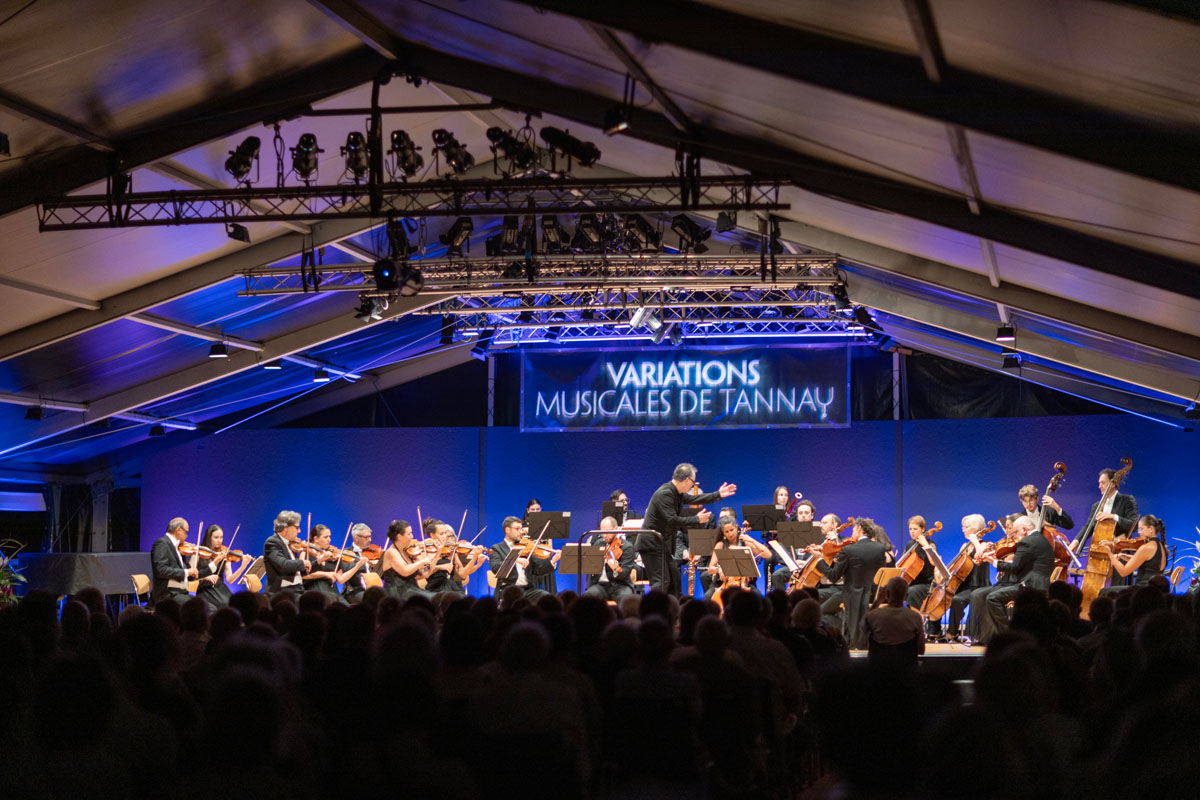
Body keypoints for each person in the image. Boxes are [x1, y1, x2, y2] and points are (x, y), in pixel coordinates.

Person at [640, 463, 736, 595]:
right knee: (661, 582)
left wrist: (717, 494)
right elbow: (672, 520)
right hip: (651, 544)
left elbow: (693, 499)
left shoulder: (676, 493)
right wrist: (696, 519)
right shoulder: (665, 494)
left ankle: (673, 607)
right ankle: (655, 607)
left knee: (674, 580)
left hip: (661, 545)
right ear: (686, 480)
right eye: (693, 481)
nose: (693, 485)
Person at [811, 518, 888, 649]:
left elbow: (833, 576)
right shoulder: (880, 548)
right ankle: (850, 633)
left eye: (853, 529)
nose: (852, 533)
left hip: (853, 595)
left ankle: (845, 635)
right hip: (874, 595)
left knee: (821, 612)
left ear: (859, 529)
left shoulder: (848, 550)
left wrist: (819, 559)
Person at [975, 515, 1054, 642]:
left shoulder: (1026, 541)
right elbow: (1026, 564)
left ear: (1024, 529)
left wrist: (992, 561)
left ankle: (1010, 636)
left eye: (1016, 532)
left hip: (1030, 586)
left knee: (992, 598)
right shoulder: (1043, 539)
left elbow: (1014, 567)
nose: (1015, 535)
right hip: (1043, 584)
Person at [944, 514, 992, 642]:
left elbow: (980, 555)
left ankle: (951, 633)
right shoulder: (964, 546)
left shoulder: (986, 545)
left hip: (978, 584)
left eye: (966, 527)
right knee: (944, 595)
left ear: (975, 528)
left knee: (957, 600)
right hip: (965, 584)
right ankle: (935, 631)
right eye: (963, 527)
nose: (963, 530)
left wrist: (975, 541)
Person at [491, 515, 560, 602]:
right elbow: (496, 568)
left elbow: (538, 569)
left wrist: (554, 560)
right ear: (508, 530)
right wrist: (515, 559)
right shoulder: (497, 548)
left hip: (528, 590)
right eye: (517, 529)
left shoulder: (525, 547)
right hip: (509, 590)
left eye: (521, 529)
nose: (521, 532)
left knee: (548, 598)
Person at [705, 516, 772, 602]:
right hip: (723, 582)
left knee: (757, 595)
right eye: (727, 532)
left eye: (732, 530)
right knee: (707, 596)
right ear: (723, 533)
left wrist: (751, 540)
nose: (730, 534)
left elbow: (768, 554)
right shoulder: (720, 545)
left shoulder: (745, 543)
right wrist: (719, 569)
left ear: (736, 527)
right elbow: (710, 569)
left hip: (744, 583)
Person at [863, 576, 925, 668]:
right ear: (906, 596)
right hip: (906, 670)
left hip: (878, 669)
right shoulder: (916, 617)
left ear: (887, 594)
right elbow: (921, 650)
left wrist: (877, 601)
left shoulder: (873, 616)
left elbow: (863, 631)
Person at [1098, 514, 1167, 596]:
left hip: (1142, 592)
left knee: (1104, 592)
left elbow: (1123, 572)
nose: (1138, 532)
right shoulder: (1161, 546)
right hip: (1155, 592)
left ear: (1151, 529)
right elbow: (1145, 562)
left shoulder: (1146, 548)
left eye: (1141, 529)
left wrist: (1109, 553)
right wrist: (1122, 556)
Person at [1073, 467, 1138, 549]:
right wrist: (1076, 541)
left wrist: (1113, 516)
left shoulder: (1127, 500)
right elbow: (1088, 526)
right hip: (1098, 550)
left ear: (1113, 484)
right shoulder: (1096, 505)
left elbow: (1133, 526)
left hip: (1119, 551)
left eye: (1103, 483)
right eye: (1099, 483)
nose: (1099, 486)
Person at [897, 516, 940, 638]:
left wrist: (925, 545)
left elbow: (934, 562)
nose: (912, 532)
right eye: (910, 529)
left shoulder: (930, 544)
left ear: (923, 529)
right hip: (913, 582)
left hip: (928, 584)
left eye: (915, 529)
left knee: (912, 591)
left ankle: (918, 629)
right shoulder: (910, 544)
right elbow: (903, 563)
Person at [378, 519, 438, 602]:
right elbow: (405, 571)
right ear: (399, 536)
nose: (412, 536)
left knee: (440, 597)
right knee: (434, 599)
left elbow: (424, 575)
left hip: (412, 589)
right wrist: (422, 562)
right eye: (409, 534)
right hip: (398, 593)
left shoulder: (407, 551)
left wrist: (436, 555)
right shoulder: (391, 552)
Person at [194, 524, 252, 611]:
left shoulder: (224, 553)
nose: (219, 540)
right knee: (223, 605)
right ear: (209, 538)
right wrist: (205, 577)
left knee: (235, 605)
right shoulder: (200, 552)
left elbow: (230, 580)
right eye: (216, 537)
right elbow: (192, 576)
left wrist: (243, 566)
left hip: (220, 588)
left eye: (221, 537)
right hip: (205, 589)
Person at [425, 520, 487, 594]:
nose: (445, 536)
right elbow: (426, 573)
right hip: (436, 589)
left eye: (445, 533)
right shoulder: (428, 550)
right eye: (441, 534)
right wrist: (440, 567)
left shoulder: (451, 550)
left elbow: (462, 575)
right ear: (432, 535)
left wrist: (475, 557)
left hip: (453, 588)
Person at [767, 499, 816, 591]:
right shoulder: (789, 531)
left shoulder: (818, 531)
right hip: (793, 568)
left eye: (806, 513)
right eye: (800, 513)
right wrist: (793, 563)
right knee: (777, 575)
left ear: (812, 515)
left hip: (811, 568)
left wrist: (805, 563)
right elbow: (780, 556)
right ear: (797, 515)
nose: (803, 515)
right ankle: (783, 599)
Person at [585, 517, 638, 601]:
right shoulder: (599, 543)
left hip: (620, 585)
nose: (604, 535)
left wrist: (615, 568)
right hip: (601, 586)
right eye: (602, 532)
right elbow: (591, 569)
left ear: (616, 529)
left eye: (607, 532)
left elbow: (624, 574)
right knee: (588, 596)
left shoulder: (627, 547)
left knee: (626, 598)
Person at [151, 517, 197, 605]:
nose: (187, 536)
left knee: (203, 604)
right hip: (167, 594)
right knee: (197, 607)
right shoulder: (162, 543)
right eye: (186, 532)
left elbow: (184, 571)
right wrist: (187, 572)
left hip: (179, 593)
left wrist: (195, 554)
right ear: (178, 529)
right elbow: (160, 570)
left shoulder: (177, 547)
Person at [263, 510, 310, 596]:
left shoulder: (289, 543)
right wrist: (303, 563)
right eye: (297, 527)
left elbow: (296, 567)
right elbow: (283, 565)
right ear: (285, 528)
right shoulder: (272, 542)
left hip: (298, 589)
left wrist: (310, 562)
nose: (299, 531)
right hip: (283, 591)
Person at [301, 524, 344, 604]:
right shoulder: (306, 552)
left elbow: (340, 579)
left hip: (331, 588)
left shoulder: (331, 554)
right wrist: (326, 574)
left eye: (329, 536)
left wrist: (357, 565)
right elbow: (303, 575)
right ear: (316, 539)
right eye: (325, 537)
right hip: (315, 588)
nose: (329, 539)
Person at [338, 523, 375, 604]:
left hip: (373, 589)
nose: (370, 540)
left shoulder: (373, 552)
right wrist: (359, 564)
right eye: (366, 537)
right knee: (371, 600)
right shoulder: (347, 554)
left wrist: (379, 564)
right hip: (354, 591)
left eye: (370, 536)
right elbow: (346, 575)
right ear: (356, 538)